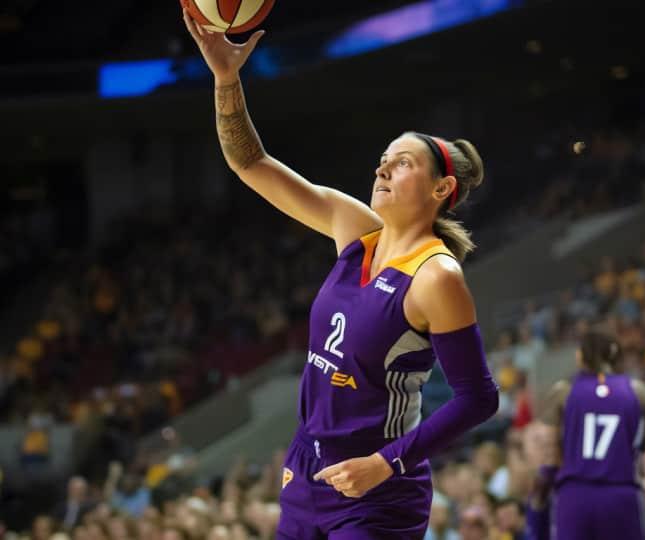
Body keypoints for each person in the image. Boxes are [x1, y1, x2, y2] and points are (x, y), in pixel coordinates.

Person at [182, 12, 499, 539]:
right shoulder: (355, 231)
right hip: (306, 471)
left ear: (442, 190)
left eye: (401, 164)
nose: (382, 169)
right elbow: (250, 162)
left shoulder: (436, 276)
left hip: (376, 489)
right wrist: (226, 80)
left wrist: (387, 462)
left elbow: (478, 398)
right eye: (383, 159)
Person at [524, 331, 645, 540]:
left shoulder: (563, 392)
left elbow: (549, 460)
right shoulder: (639, 392)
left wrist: (539, 503)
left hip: (574, 498)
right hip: (621, 498)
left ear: (580, 357)